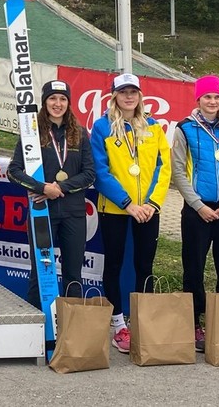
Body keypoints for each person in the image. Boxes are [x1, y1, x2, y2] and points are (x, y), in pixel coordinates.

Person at [90, 72, 171, 354]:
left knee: (144, 265)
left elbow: (164, 168)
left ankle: (142, 321)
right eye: (123, 92)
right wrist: (128, 204)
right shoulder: (102, 127)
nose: (128, 97)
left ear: (140, 96)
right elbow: (100, 172)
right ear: (114, 96)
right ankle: (118, 325)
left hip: (148, 210)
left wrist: (152, 204)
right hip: (115, 208)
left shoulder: (153, 127)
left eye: (133, 92)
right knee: (113, 264)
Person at [172, 75, 219, 352]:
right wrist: (198, 205)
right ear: (198, 99)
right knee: (193, 269)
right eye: (207, 97)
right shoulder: (185, 128)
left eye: (216, 97)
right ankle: (193, 324)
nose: (212, 101)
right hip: (198, 210)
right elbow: (178, 171)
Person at [8, 80, 95, 306]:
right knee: (41, 271)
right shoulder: (32, 133)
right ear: (44, 102)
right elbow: (13, 171)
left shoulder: (80, 134)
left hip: (74, 214)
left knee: (73, 274)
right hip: (41, 213)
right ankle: (40, 330)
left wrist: (59, 189)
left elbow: (90, 174)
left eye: (63, 99)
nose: (58, 104)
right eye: (52, 98)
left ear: (69, 103)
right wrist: (42, 188)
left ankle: (70, 331)